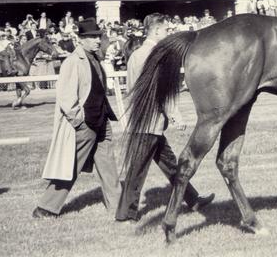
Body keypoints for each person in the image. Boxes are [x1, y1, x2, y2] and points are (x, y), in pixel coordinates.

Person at [116, 13, 214, 222]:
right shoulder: (156, 55)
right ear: (157, 30)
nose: (169, 33)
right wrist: (175, 116)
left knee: (170, 165)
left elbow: (133, 89)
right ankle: (126, 213)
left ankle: (193, 199)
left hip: (143, 121)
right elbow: (161, 90)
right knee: (137, 169)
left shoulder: (136, 54)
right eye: (167, 30)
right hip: (150, 122)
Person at [33, 18, 121, 218]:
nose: (98, 41)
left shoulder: (94, 58)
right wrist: (78, 121)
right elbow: (66, 96)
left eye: (98, 37)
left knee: (108, 165)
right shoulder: (73, 61)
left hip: (102, 120)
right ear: (80, 39)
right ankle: (46, 207)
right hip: (85, 123)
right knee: (72, 165)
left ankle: (117, 207)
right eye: (92, 37)